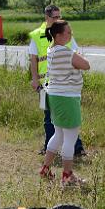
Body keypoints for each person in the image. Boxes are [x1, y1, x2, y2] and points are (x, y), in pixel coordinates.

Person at [38, 20, 91, 186]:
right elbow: (86, 65)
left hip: (55, 96)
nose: (71, 35)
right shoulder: (66, 52)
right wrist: (79, 55)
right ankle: (67, 176)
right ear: (59, 35)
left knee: (58, 134)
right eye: (68, 32)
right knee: (70, 138)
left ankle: (45, 169)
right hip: (67, 98)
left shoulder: (51, 49)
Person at [29, 4, 85, 157]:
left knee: (70, 118)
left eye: (59, 16)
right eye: (55, 17)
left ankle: (77, 148)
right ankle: (48, 147)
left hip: (65, 84)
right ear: (46, 17)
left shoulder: (65, 34)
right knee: (48, 118)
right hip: (44, 84)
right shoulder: (37, 35)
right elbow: (33, 60)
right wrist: (34, 79)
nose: (58, 19)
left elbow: (76, 54)